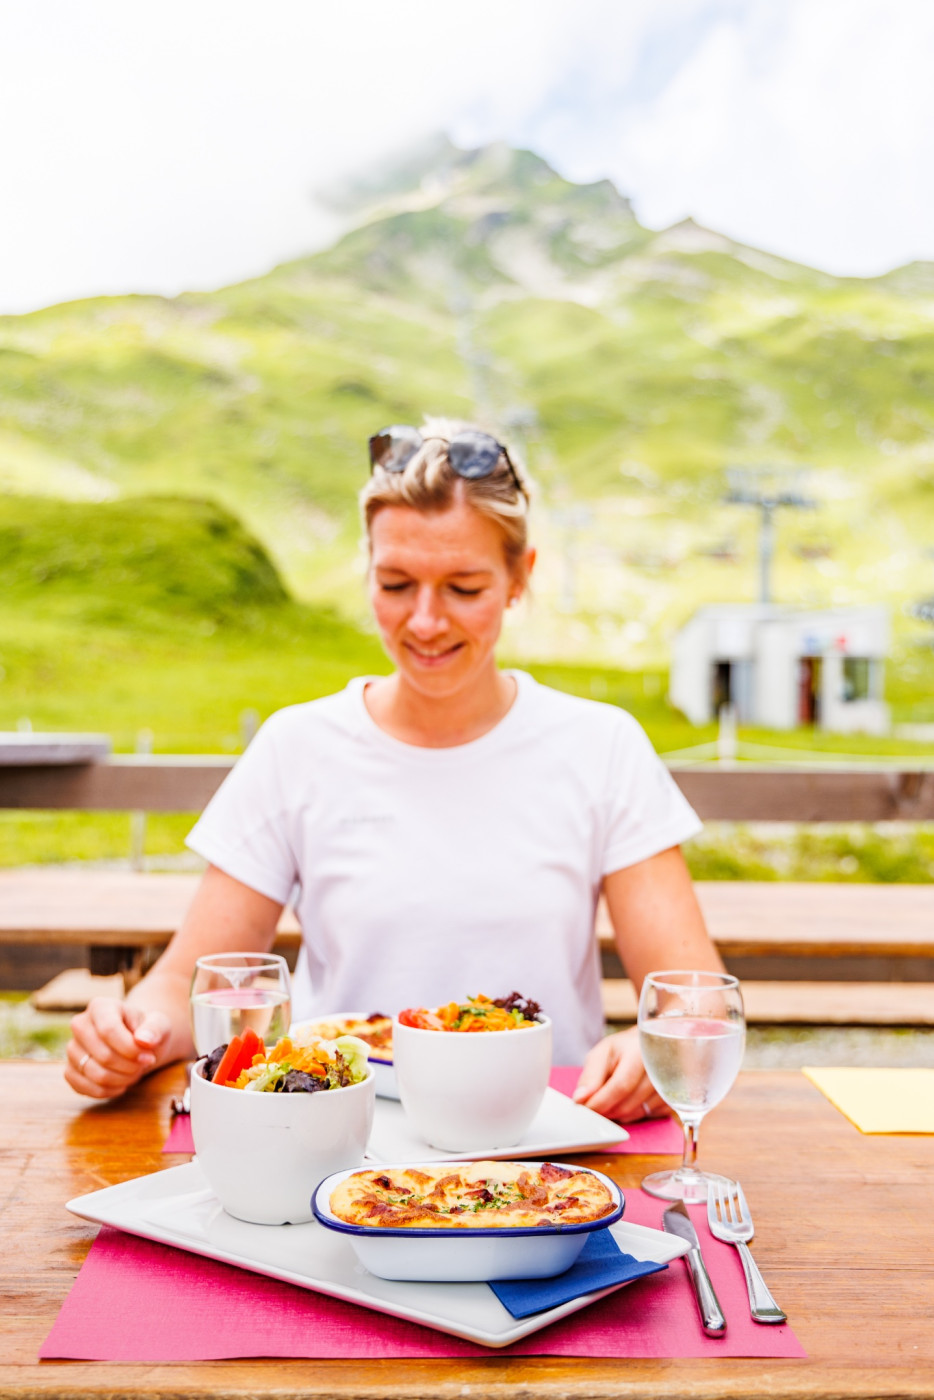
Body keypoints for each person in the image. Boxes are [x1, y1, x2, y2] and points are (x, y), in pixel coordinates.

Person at [64, 420, 724, 1120]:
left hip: (543, 1134)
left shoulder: (601, 746)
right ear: (368, 572)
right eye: (396, 583)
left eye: (464, 588)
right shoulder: (297, 747)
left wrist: (658, 1048)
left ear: (519, 578)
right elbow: (184, 986)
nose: (426, 621)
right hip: (337, 1132)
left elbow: (696, 999)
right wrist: (128, 1035)